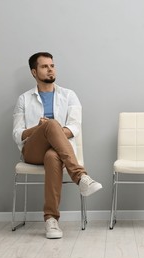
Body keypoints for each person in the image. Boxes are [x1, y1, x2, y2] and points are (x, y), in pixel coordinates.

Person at [12, 52, 102, 239]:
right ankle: (80, 177)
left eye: (52, 65)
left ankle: (51, 220)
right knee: (51, 124)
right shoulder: (24, 99)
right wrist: (39, 128)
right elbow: (17, 134)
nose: (50, 69)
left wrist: (52, 130)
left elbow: (75, 127)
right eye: (44, 66)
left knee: (53, 155)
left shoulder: (69, 95)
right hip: (32, 151)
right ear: (34, 72)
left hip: (58, 152)